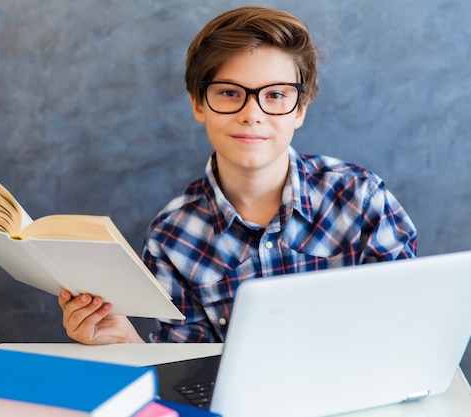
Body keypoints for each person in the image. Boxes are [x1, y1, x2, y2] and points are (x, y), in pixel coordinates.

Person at [58, 6, 417, 344]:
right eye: (230, 93)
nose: (252, 113)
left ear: (300, 110)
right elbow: (187, 370)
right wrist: (125, 341)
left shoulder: (361, 198)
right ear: (199, 104)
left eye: (275, 95)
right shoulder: (172, 238)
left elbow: (407, 326)